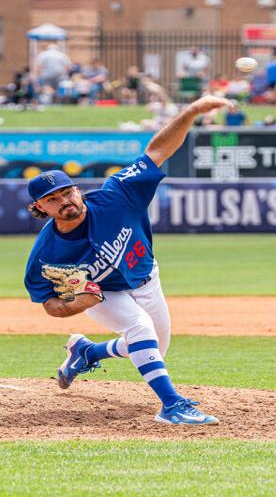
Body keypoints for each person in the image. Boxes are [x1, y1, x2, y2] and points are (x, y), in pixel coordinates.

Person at [22, 94, 234, 426]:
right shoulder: (45, 255)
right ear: (40, 210)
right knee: (139, 329)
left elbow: (157, 151)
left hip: (147, 278)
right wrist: (77, 305)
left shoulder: (117, 194)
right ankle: (172, 405)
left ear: (77, 190)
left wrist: (191, 111)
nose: (64, 201)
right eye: (52, 199)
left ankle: (87, 353)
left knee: (152, 349)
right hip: (103, 293)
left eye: (67, 192)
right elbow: (49, 303)